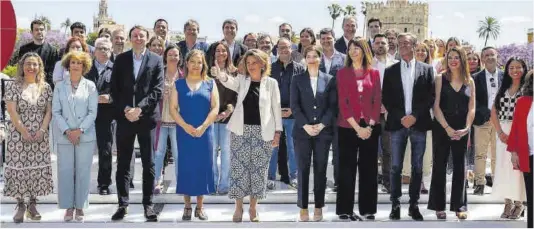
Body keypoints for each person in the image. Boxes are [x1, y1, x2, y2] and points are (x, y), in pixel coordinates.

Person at [213, 49, 282, 222]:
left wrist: (278, 132)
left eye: (254, 63)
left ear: (262, 64)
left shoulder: (271, 83)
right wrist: (220, 74)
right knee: (239, 171)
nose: (251, 66)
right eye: (248, 63)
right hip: (240, 132)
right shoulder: (242, 81)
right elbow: (229, 82)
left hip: (263, 133)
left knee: (258, 172)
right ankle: (238, 209)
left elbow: (276, 109)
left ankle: (253, 208)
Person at [110, 25, 163, 222]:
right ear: (130, 39)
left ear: (147, 38)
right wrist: (126, 109)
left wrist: (139, 109)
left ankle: (148, 205)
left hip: (146, 118)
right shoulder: (121, 59)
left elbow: (157, 90)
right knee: (123, 164)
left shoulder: (156, 60)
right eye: (134, 35)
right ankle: (122, 205)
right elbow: (114, 89)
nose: (138, 38)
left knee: (148, 164)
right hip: (125, 118)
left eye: (141, 35)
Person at [382, 33, 434, 221]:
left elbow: (430, 96)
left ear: (414, 46)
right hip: (397, 124)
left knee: (417, 167)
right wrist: (401, 117)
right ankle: (395, 204)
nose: (403, 45)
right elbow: (386, 97)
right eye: (400, 43)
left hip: (418, 123)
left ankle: (413, 205)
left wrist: (415, 116)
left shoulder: (427, 70)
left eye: (406, 43)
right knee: (395, 167)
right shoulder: (390, 71)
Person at [4, 52, 53, 223]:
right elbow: (12, 111)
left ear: (39, 67)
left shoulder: (46, 87)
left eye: (35, 64)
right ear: (22, 66)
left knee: (35, 168)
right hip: (18, 134)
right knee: (19, 169)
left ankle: (32, 205)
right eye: (28, 64)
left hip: (39, 134)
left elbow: (48, 111)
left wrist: (42, 129)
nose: (31, 67)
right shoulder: (13, 86)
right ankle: (20, 205)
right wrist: (23, 130)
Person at [170, 50, 219, 220]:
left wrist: (204, 126)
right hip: (184, 133)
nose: (196, 65)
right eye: (193, 61)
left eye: (199, 62)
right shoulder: (178, 84)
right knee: (186, 167)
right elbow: (173, 109)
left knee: (202, 167)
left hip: (205, 133)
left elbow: (215, 107)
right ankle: (187, 206)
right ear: (187, 63)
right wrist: (185, 126)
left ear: (203, 64)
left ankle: (200, 206)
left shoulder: (210, 83)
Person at [335, 39, 381, 221]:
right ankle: (344, 209)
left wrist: (368, 126)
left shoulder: (375, 73)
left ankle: (368, 209)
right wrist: (357, 128)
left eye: (357, 48)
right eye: (350, 49)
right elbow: (343, 102)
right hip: (348, 127)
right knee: (346, 169)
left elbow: (377, 100)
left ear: (364, 51)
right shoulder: (342, 73)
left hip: (370, 126)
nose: (353, 51)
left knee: (369, 169)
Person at [428, 46, 475, 220]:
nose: (453, 60)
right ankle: (438, 206)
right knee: (439, 166)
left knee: (460, 167)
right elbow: (436, 106)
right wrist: (447, 128)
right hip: (442, 127)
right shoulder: (440, 78)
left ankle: (459, 206)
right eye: (450, 57)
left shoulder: (469, 81)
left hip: (462, 129)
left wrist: (467, 128)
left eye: (457, 57)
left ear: (462, 60)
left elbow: (472, 107)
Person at [291, 46, 336, 222]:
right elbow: (295, 105)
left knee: (321, 169)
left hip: (323, 133)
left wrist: (322, 124)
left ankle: (318, 206)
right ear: (305, 59)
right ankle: (303, 207)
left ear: (320, 58)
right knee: (303, 169)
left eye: (314, 56)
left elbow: (332, 106)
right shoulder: (297, 79)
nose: (311, 59)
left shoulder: (329, 79)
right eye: (308, 56)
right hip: (302, 132)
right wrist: (306, 125)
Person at [52, 51, 98, 222]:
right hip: (65, 136)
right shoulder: (59, 86)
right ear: (68, 65)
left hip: (84, 136)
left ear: (84, 66)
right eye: (73, 62)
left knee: (82, 171)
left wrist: (79, 130)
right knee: (65, 172)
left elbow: (93, 112)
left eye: (79, 63)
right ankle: (68, 207)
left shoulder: (91, 86)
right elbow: (56, 112)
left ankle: (80, 207)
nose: (76, 65)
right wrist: (68, 131)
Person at [491, 57, 528, 219]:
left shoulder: (528, 88)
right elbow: (494, 110)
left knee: (518, 169)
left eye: (518, 67)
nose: (515, 70)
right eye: (511, 67)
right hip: (503, 132)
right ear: (507, 70)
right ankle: (508, 202)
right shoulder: (503, 87)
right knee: (504, 168)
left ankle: (519, 204)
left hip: (521, 131)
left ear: (524, 69)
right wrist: (499, 132)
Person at [268, 38, 305, 189]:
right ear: (276, 49)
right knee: (273, 146)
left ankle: (294, 176)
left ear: (292, 49)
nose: (284, 50)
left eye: (287, 47)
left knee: (292, 147)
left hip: (292, 114)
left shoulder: (299, 69)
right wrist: (275, 109)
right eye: (281, 47)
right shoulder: (270, 68)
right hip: (273, 115)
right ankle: (270, 177)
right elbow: (266, 91)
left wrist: (292, 109)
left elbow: (303, 92)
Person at [206, 41, 238, 195]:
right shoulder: (206, 72)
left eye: (223, 51)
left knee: (226, 152)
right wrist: (212, 113)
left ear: (228, 53)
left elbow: (236, 96)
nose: (220, 54)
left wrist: (227, 111)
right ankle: (211, 183)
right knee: (211, 153)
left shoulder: (235, 72)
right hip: (210, 118)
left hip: (228, 117)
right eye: (217, 51)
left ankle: (224, 184)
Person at [85, 38, 115, 195]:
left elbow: (122, 92)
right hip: (85, 116)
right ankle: (81, 183)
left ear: (111, 52)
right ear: (94, 51)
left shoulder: (116, 69)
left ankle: (104, 184)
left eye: (107, 49)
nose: (104, 51)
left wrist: (110, 98)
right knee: (83, 150)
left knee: (105, 151)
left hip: (106, 115)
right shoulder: (85, 68)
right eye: (100, 48)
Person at [153, 45, 182, 194]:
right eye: (170, 54)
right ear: (165, 56)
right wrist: (160, 95)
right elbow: (152, 92)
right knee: (159, 152)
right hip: (161, 120)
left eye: (175, 55)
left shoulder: (183, 75)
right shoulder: (159, 73)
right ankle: (156, 182)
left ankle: (180, 183)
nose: (173, 57)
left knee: (178, 154)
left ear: (179, 57)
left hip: (177, 121)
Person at [371, 33, 398, 193]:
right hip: (371, 112)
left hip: (389, 113)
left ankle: (388, 181)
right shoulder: (367, 64)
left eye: (383, 43)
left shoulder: (395, 64)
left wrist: (388, 106)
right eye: (377, 43)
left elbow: (398, 90)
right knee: (371, 149)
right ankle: (372, 181)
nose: (380, 45)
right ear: (373, 45)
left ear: (388, 46)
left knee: (388, 150)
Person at [507, 70, 533, 227]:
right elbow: (516, 128)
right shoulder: (523, 101)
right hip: (529, 153)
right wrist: (514, 152)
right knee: (531, 193)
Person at [18, 19, 59, 88]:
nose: (39, 32)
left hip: (45, 87)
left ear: (45, 31)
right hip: (26, 86)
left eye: (41, 29)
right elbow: (21, 69)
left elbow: (52, 72)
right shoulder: (24, 49)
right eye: (36, 29)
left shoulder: (53, 50)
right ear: (31, 32)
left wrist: (42, 86)